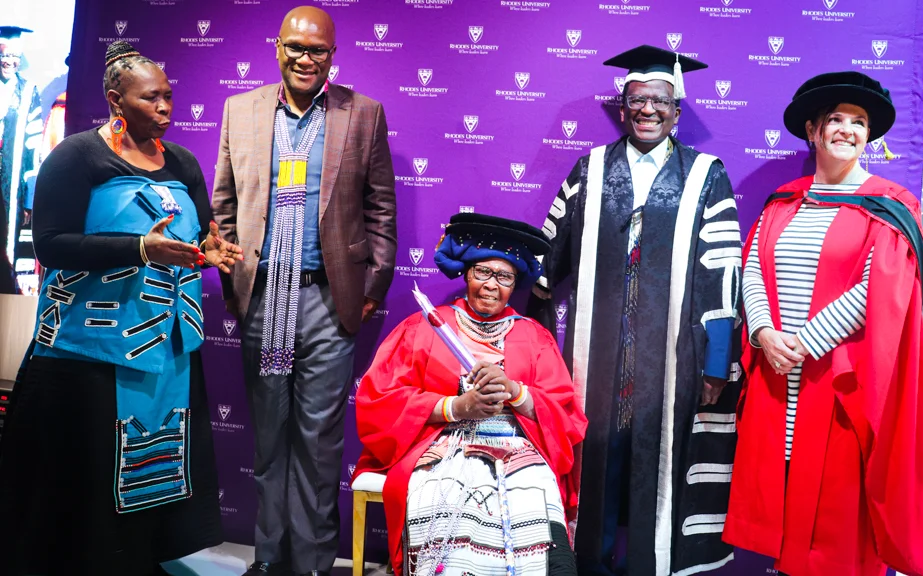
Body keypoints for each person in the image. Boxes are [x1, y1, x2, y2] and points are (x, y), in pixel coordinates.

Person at [0, 40, 242, 576]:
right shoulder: (78, 155)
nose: (165, 109)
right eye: (151, 99)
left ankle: (133, 557)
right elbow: (52, 245)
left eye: (168, 98)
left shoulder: (181, 161)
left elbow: (199, 235)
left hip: (165, 345)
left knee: (149, 461)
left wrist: (211, 251)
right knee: (86, 470)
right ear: (115, 101)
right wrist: (137, 248)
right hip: (89, 350)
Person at [527, 45, 743, 576]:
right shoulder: (591, 169)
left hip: (670, 355)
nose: (648, 110)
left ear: (677, 110)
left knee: (659, 462)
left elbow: (721, 271)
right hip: (595, 354)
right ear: (623, 107)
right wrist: (528, 341)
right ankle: (584, 565)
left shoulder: (705, 175)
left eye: (660, 102)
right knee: (594, 459)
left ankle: (652, 567)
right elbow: (550, 254)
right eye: (637, 100)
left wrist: (717, 363)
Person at [211, 6, 397, 575]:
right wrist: (236, 278)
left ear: (332, 56)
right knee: (269, 438)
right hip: (264, 300)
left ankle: (314, 563)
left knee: (319, 445)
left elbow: (380, 207)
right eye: (295, 47)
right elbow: (223, 204)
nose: (305, 58)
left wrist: (371, 285)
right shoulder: (239, 110)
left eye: (317, 50)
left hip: (327, 302)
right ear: (278, 48)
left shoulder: (362, 113)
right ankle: (269, 558)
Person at [723, 72, 923, 576]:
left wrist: (803, 341)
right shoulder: (784, 202)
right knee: (787, 495)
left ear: (869, 135)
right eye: (835, 120)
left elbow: (882, 288)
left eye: (858, 122)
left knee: (837, 515)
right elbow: (754, 267)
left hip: (839, 381)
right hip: (780, 376)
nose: (847, 130)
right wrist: (764, 334)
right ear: (813, 132)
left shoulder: (890, 206)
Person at [355, 213, 587, 576]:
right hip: (442, 443)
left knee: (533, 499)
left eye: (505, 276)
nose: (492, 285)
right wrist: (455, 406)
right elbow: (379, 399)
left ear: (515, 283)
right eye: (483, 272)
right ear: (465, 274)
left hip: (519, 445)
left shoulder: (534, 338)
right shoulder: (426, 327)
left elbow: (566, 415)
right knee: (440, 501)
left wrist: (515, 391)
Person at [0, 25, 42, 293]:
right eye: (5, 54)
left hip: (10, 186)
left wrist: (29, 197)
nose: (10, 61)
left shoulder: (28, 93)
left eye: (16, 56)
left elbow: (33, 147)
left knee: (6, 238)